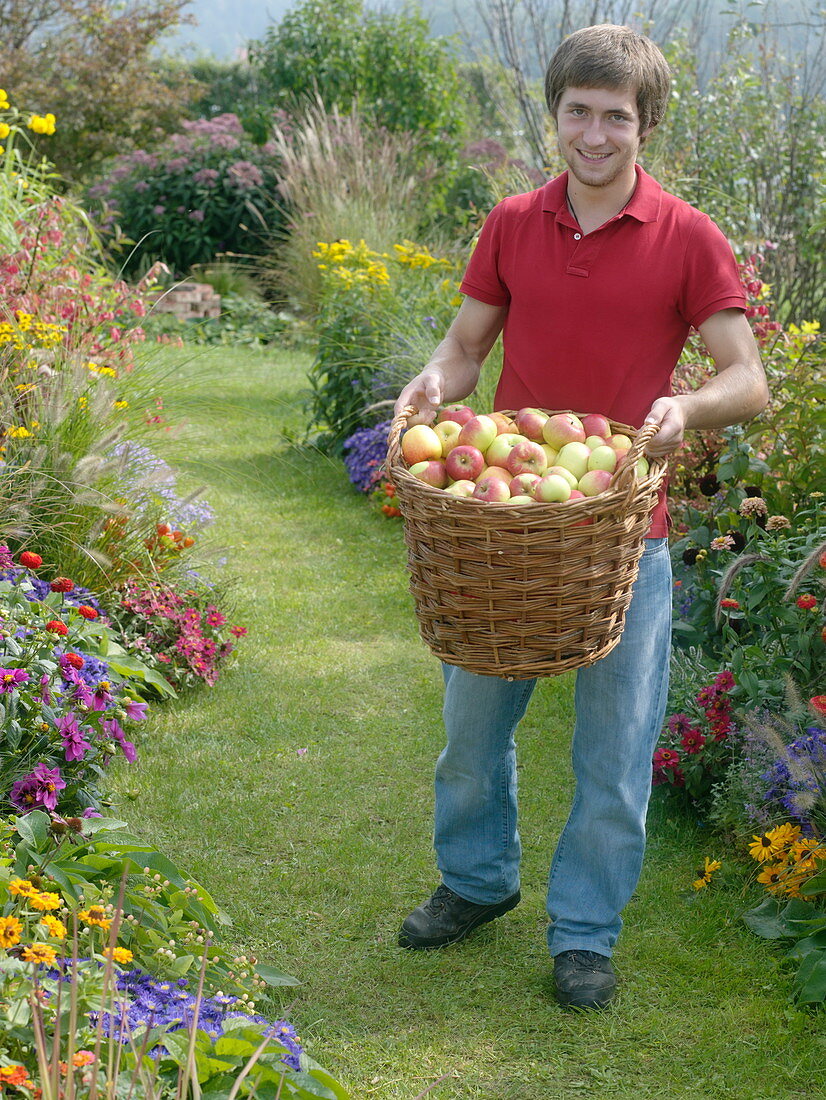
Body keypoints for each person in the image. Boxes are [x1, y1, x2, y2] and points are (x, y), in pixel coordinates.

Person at [392, 23, 769, 1011]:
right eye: (577, 111)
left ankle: (585, 933)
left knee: (613, 753)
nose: (594, 133)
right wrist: (432, 383)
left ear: (644, 125)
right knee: (470, 735)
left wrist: (684, 405)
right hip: (503, 525)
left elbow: (747, 377)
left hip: (618, 538)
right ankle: (477, 879)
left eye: (615, 115)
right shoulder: (512, 221)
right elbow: (465, 344)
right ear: (554, 114)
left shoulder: (688, 236)